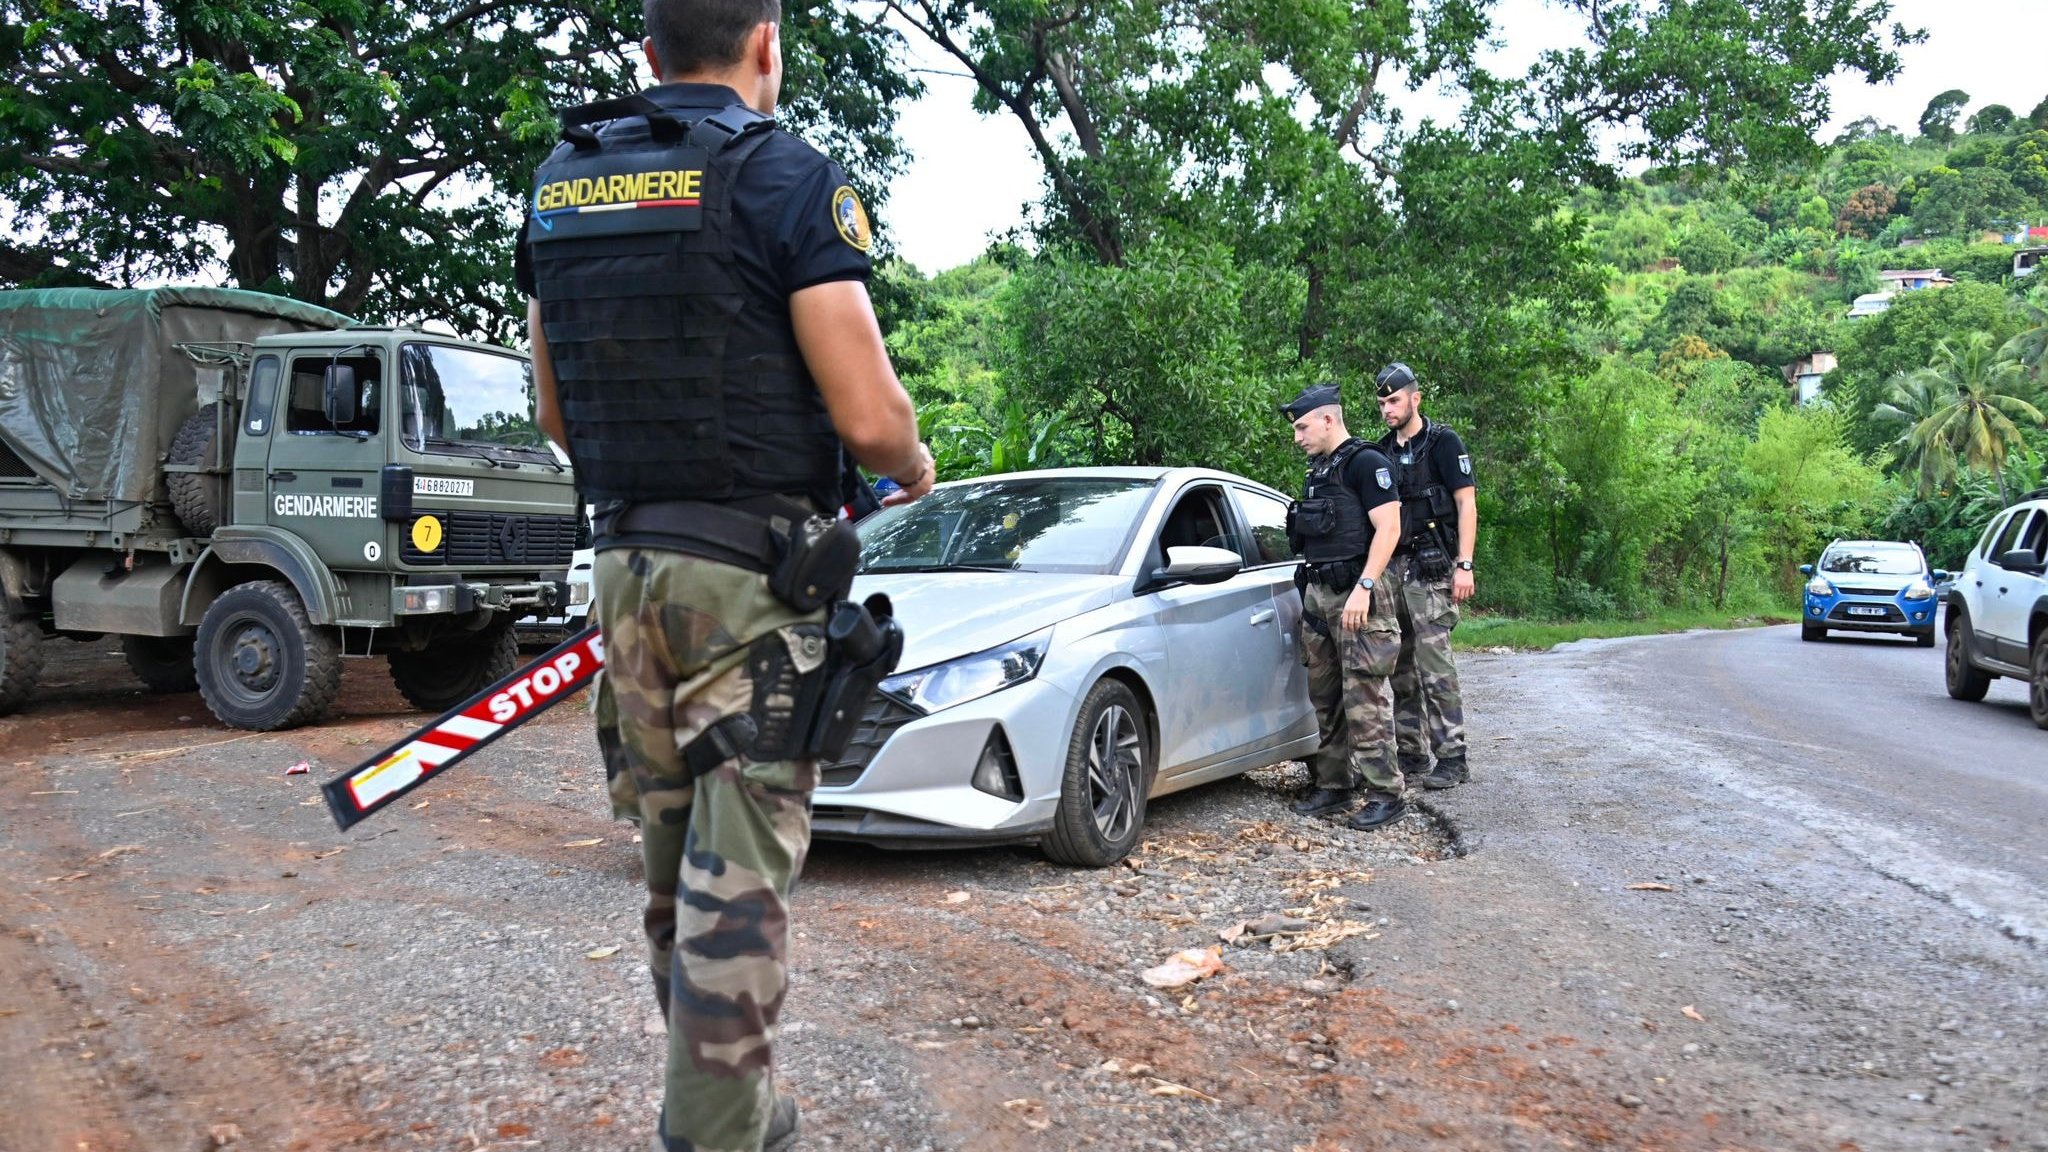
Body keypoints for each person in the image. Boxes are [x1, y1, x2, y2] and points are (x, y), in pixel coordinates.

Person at [517, 2, 933, 1148]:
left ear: (650, 54)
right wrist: (911, 460)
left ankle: (728, 1099)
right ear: (766, 43)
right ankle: (714, 1133)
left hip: (625, 573)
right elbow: (868, 416)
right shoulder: (785, 176)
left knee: (671, 867)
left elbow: (553, 412)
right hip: (748, 584)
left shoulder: (562, 183)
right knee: (738, 884)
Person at [1281, 383, 1409, 831]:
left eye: (1302, 426)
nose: (1298, 437)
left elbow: (1389, 529)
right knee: (1325, 696)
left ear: (1328, 419)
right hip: (1320, 596)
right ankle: (1335, 785)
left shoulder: (1366, 463)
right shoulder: (1319, 470)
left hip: (1359, 595)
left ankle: (1386, 793)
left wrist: (1365, 586)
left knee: (1364, 698)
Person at [1373, 362, 1475, 790]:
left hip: (1432, 568)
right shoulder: (1381, 451)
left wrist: (1464, 563)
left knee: (1436, 667)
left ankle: (1453, 755)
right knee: (1400, 666)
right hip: (1394, 568)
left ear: (1415, 398)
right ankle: (1411, 752)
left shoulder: (1443, 443)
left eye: (1394, 400)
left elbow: (1466, 504)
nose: (1387, 409)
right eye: (1381, 403)